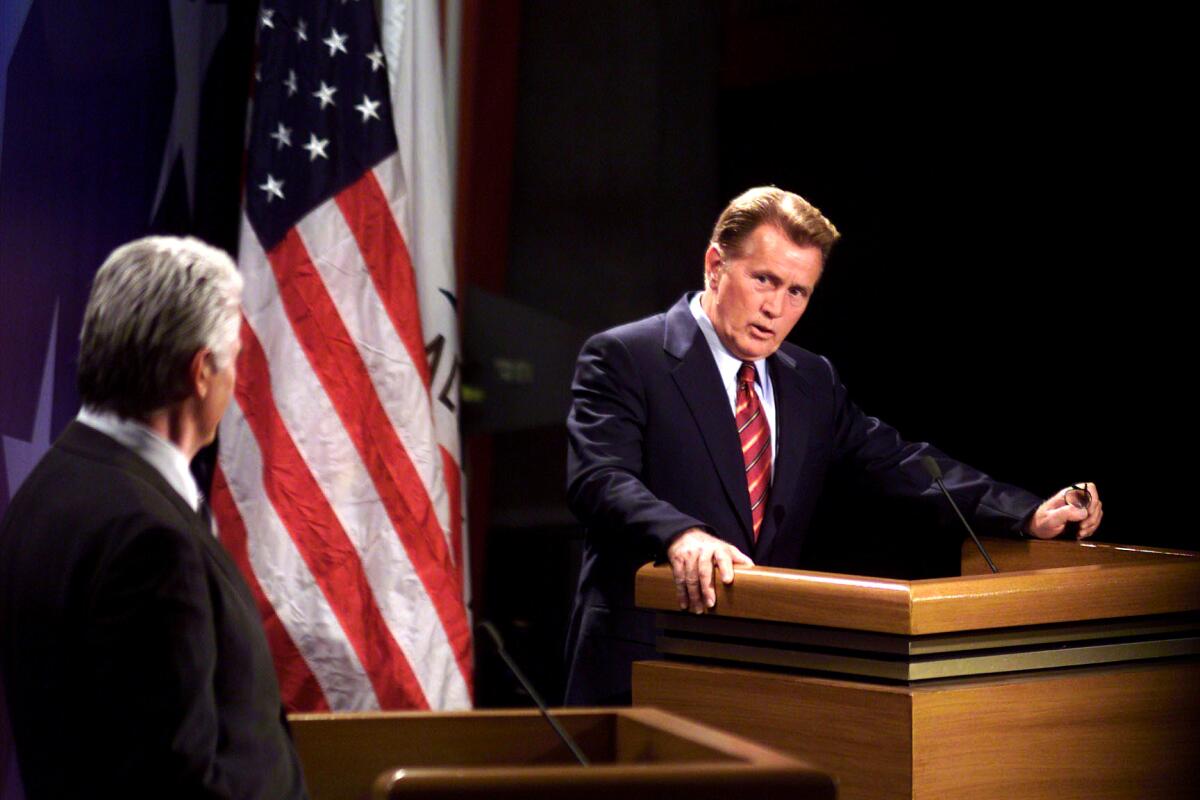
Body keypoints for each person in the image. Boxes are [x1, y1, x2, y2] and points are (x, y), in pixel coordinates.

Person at [563, 186, 1103, 705]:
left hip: (757, 667)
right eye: (764, 280)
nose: (776, 307)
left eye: (796, 292)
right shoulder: (627, 357)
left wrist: (1025, 512)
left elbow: (898, 461)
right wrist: (680, 533)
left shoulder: (809, 380)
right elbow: (599, 479)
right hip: (641, 661)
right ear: (714, 264)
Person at [0, 237, 308, 798]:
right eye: (234, 358)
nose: (236, 381)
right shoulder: (152, 540)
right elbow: (175, 781)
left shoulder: (47, 489)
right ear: (200, 372)